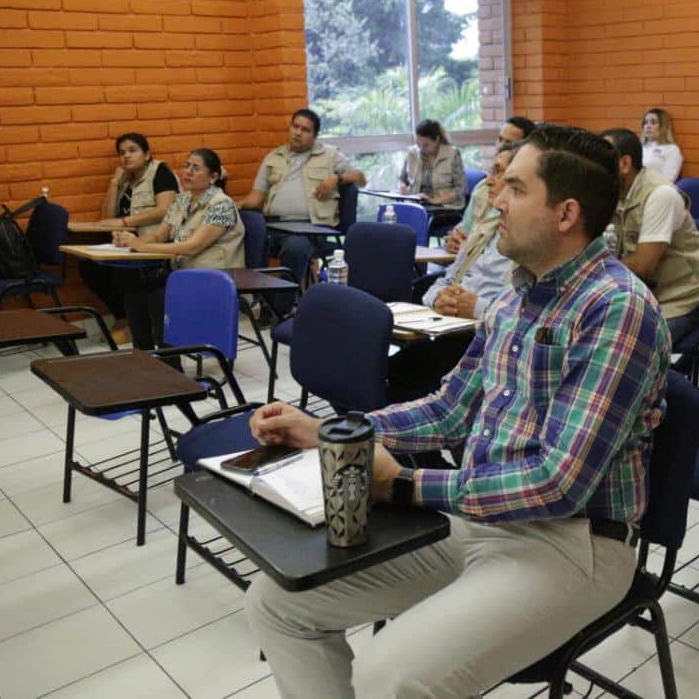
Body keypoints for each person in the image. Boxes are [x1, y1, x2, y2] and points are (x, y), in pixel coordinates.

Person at [244, 125, 670, 699]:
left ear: (566, 213)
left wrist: (403, 485)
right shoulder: (521, 293)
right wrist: (332, 430)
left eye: (515, 189)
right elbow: (450, 410)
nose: (496, 200)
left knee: (388, 676)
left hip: (572, 542)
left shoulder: (616, 308)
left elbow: (557, 483)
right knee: (275, 603)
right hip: (485, 516)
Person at [386, 142, 520, 403]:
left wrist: (475, 307)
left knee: (401, 376)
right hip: (451, 329)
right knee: (381, 370)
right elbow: (446, 279)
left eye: (498, 172)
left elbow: (526, 317)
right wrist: (439, 298)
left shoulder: (530, 246)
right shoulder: (486, 228)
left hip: (485, 341)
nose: (488, 181)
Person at [113, 149, 246, 352]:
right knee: (133, 287)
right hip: (182, 274)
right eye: (186, 166)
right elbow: (158, 236)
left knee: (159, 297)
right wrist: (129, 241)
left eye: (196, 168)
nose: (188, 172)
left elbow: (192, 247)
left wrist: (141, 246)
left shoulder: (221, 204)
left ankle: (171, 362)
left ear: (213, 177)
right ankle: (144, 355)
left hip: (215, 277)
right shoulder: (182, 200)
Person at [600, 127, 699, 341]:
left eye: (601, 160)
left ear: (624, 164)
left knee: (624, 344)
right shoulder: (610, 193)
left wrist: (591, 272)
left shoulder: (661, 195)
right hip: (633, 293)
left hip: (676, 299)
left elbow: (643, 266)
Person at [238, 108, 366, 290]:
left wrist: (337, 178)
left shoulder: (330, 155)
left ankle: (284, 302)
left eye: (305, 130)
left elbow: (361, 179)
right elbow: (256, 198)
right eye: (295, 126)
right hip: (275, 226)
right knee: (246, 233)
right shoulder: (274, 157)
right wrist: (235, 205)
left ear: (315, 136)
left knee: (295, 247)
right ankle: (258, 294)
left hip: (311, 229)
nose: (298, 133)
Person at [80, 133, 178, 344]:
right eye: (122, 152)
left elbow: (165, 210)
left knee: (124, 272)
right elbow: (107, 218)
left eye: (132, 150)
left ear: (147, 154)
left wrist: (124, 222)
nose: (126, 156)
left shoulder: (160, 172)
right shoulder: (126, 180)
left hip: (154, 243)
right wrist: (115, 182)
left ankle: (136, 326)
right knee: (90, 267)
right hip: (126, 244)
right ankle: (125, 318)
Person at [445, 116, 535, 252]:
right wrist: (455, 237)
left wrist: (469, 245)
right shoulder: (482, 187)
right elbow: (465, 227)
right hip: (468, 256)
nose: (500, 146)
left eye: (509, 142)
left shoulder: (522, 200)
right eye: (500, 139)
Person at [398, 118, 466, 209]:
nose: (421, 149)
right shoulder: (412, 153)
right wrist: (402, 186)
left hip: (444, 207)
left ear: (437, 139)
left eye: (426, 145)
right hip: (417, 205)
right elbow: (402, 179)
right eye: (418, 144)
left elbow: (460, 190)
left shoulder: (452, 154)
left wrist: (434, 200)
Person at [640, 107, 683, 182]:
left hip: (656, 188)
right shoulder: (640, 147)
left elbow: (668, 180)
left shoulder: (671, 149)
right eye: (645, 122)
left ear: (663, 126)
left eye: (653, 122)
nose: (648, 126)